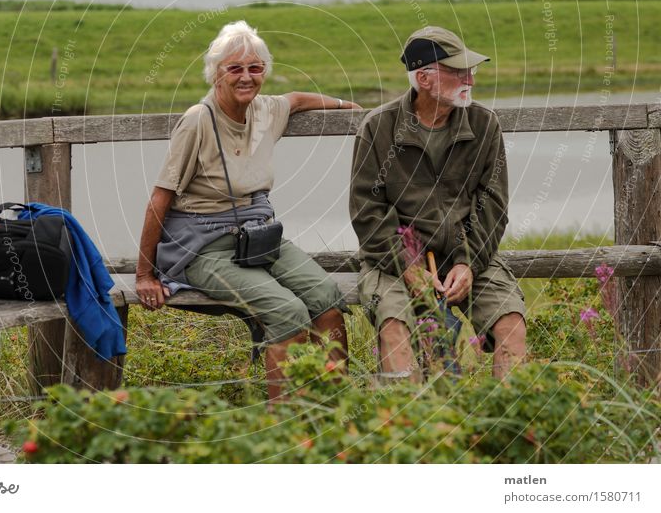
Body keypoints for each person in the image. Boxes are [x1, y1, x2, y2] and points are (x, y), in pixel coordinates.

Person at [136, 20, 360, 399]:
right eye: (234, 68)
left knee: (326, 298)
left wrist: (345, 106)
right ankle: (285, 425)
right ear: (216, 74)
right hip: (203, 247)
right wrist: (144, 275)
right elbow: (160, 198)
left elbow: (297, 99)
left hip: (256, 236)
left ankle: (335, 408)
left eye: (255, 68)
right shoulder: (198, 121)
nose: (246, 77)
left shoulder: (266, 110)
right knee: (287, 311)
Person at [350, 25, 526, 381]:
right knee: (395, 327)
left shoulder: (484, 124)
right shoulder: (378, 128)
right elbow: (367, 213)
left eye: (470, 71)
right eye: (459, 72)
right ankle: (413, 428)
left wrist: (468, 264)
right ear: (425, 79)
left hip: (470, 256)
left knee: (511, 323)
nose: (471, 81)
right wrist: (411, 269)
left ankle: (509, 427)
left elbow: (492, 204)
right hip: (393, 263)